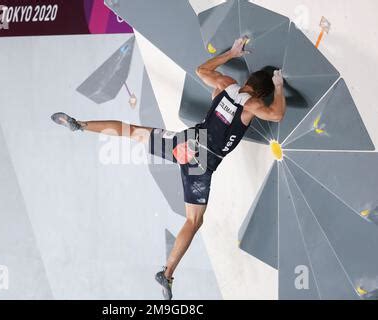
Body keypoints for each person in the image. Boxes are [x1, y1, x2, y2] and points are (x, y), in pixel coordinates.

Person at [51, 37, 286, 300]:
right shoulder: (251, 105)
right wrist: (279, 88)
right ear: (260, 93)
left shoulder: (225, 85)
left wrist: (231, 52)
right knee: (193, 220)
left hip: (186, 142)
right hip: (201, 161)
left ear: (247, 81)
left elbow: (201, 71)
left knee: (134, 132)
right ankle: (167, 272)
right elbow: (277, 114)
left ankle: (81, 124)